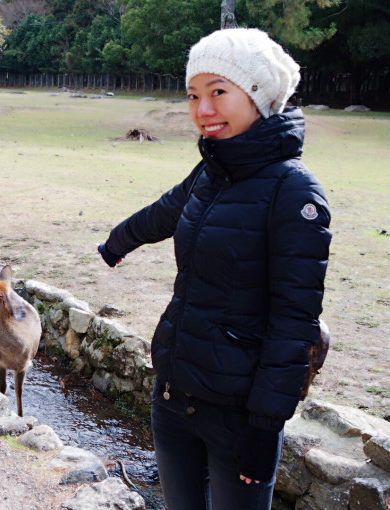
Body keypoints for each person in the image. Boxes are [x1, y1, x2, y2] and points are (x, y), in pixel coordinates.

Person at [97, 28, 331, 510]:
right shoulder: (211, 172)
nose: (202, 110)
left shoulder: (294, 192)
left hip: (237, 418)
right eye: (192, 95)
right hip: (172, 394)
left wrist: (264, 429)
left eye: (218, 92)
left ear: (259, 96)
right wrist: (117, 243)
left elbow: (294, 323)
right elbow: (165, 212)